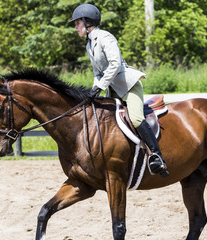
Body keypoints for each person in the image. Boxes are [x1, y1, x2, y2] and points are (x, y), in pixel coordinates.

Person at [69, 3, 169, 177]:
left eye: (77, 23)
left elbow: (115, 64)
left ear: (87, 22)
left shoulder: (105, 37)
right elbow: (98, 73)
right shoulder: (89, 45)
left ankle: (156, 156)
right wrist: (94, 90)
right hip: (113, 89)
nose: (75, 27)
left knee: (136, 119)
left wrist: (99, 86)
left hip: (128, 85)